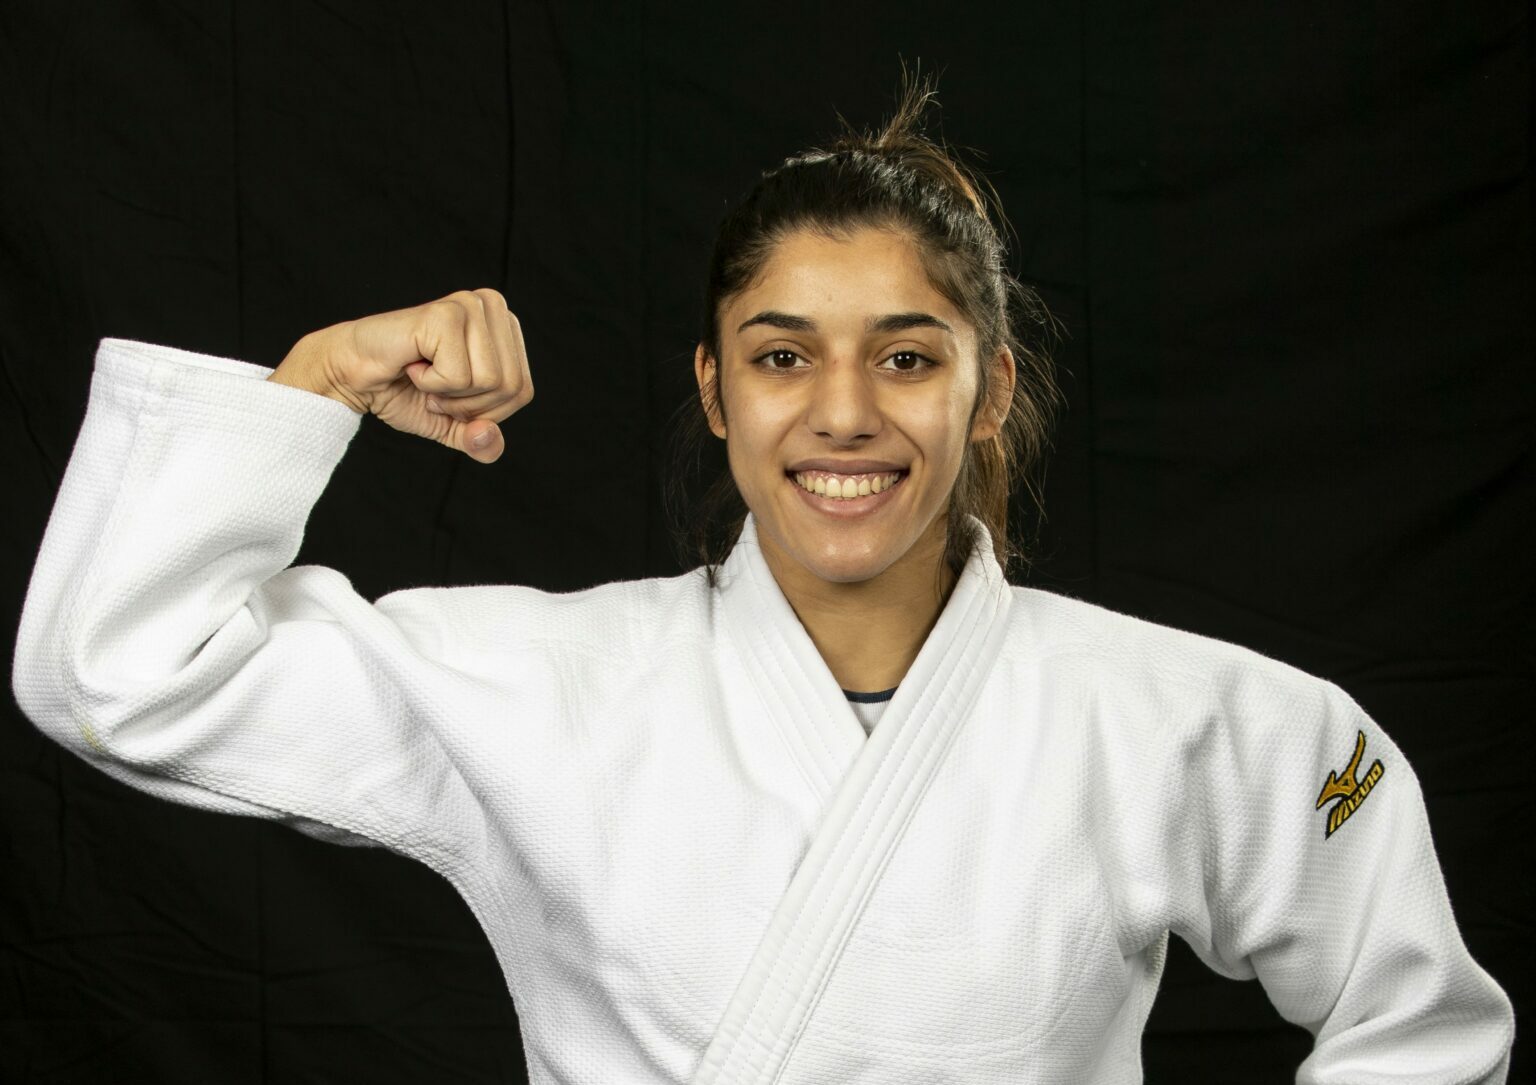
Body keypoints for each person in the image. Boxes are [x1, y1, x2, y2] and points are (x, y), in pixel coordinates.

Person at [13, 81, 1514, 1084]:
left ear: (989, 395)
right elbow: (119, 671)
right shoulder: (542, 689)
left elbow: (1412, 995)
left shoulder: (1184, 721)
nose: (844, 412)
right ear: (715, 392)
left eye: (908, 356)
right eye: (783, 355)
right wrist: (321, 380)